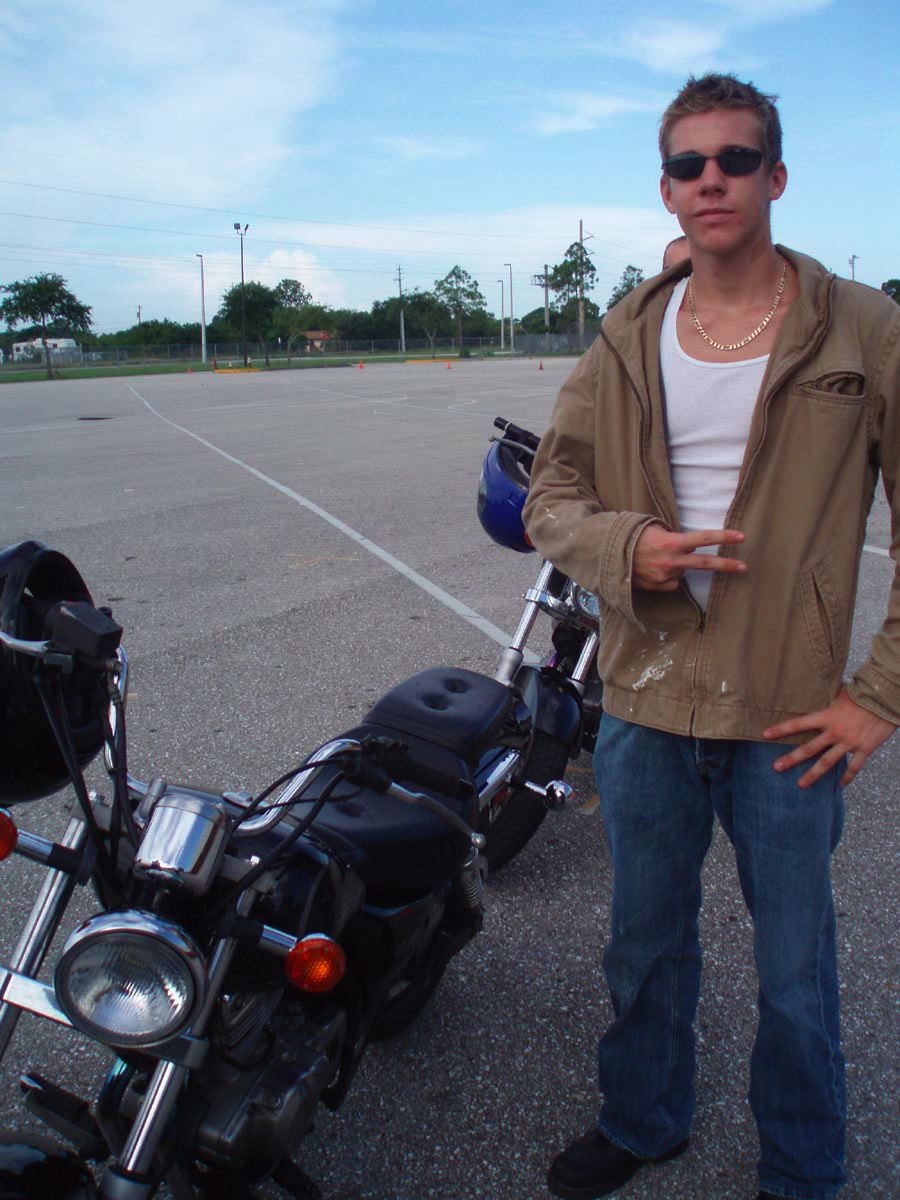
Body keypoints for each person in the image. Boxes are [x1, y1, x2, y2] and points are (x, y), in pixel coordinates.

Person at [524, 72, 899, 1200]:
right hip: (644, 701)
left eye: (736, 159)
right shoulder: (628, 332)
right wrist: (627, 545)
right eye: (689, 164)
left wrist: (878, 697)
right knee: (641, 946)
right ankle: (642, 1121)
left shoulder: (863, 328)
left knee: (794, 973)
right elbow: (552, 494)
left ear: (776, 177)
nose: (712, 180)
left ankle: (803, 1168)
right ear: (666, 189)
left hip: (789, 715)